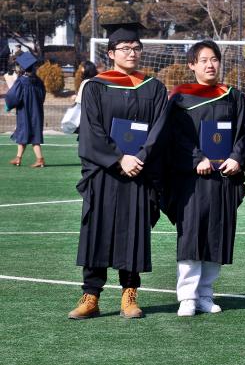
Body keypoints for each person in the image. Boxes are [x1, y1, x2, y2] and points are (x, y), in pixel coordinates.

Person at [68, 22, 168, 320]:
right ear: (111, 53)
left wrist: (139, 157)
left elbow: (159, 131)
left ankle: (129, 294)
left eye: (136, 48)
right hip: (105, 174)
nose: (132, 53)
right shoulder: (96, 87)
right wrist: (117, 159)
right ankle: (91, 296)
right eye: (125, 49)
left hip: (139, 173)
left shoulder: (154, 88)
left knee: (133, 233)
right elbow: (91, 132)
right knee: (96, 232)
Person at [162, 40, 245, 317]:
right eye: (203, 60)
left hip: (223, 178)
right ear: (192, 65)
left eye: (214, 59)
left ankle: (206, 294)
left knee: (216, 235)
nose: (210, 65)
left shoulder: (232, 96)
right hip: (192, 180)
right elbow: (174, 136)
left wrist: (237, 156)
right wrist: (197, 157)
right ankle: (187, 296)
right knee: (190, 237)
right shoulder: (180, 98)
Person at [5, 51, 46, 167]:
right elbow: (42, 96)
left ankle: (39, 160)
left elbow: (13, 96)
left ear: (23, 68)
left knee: (25, 132)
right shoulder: (38, 81)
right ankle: (19, 158)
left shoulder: (21, 81)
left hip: (24, 111)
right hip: (37, 111)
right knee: (29, 133)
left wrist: (9, 105)